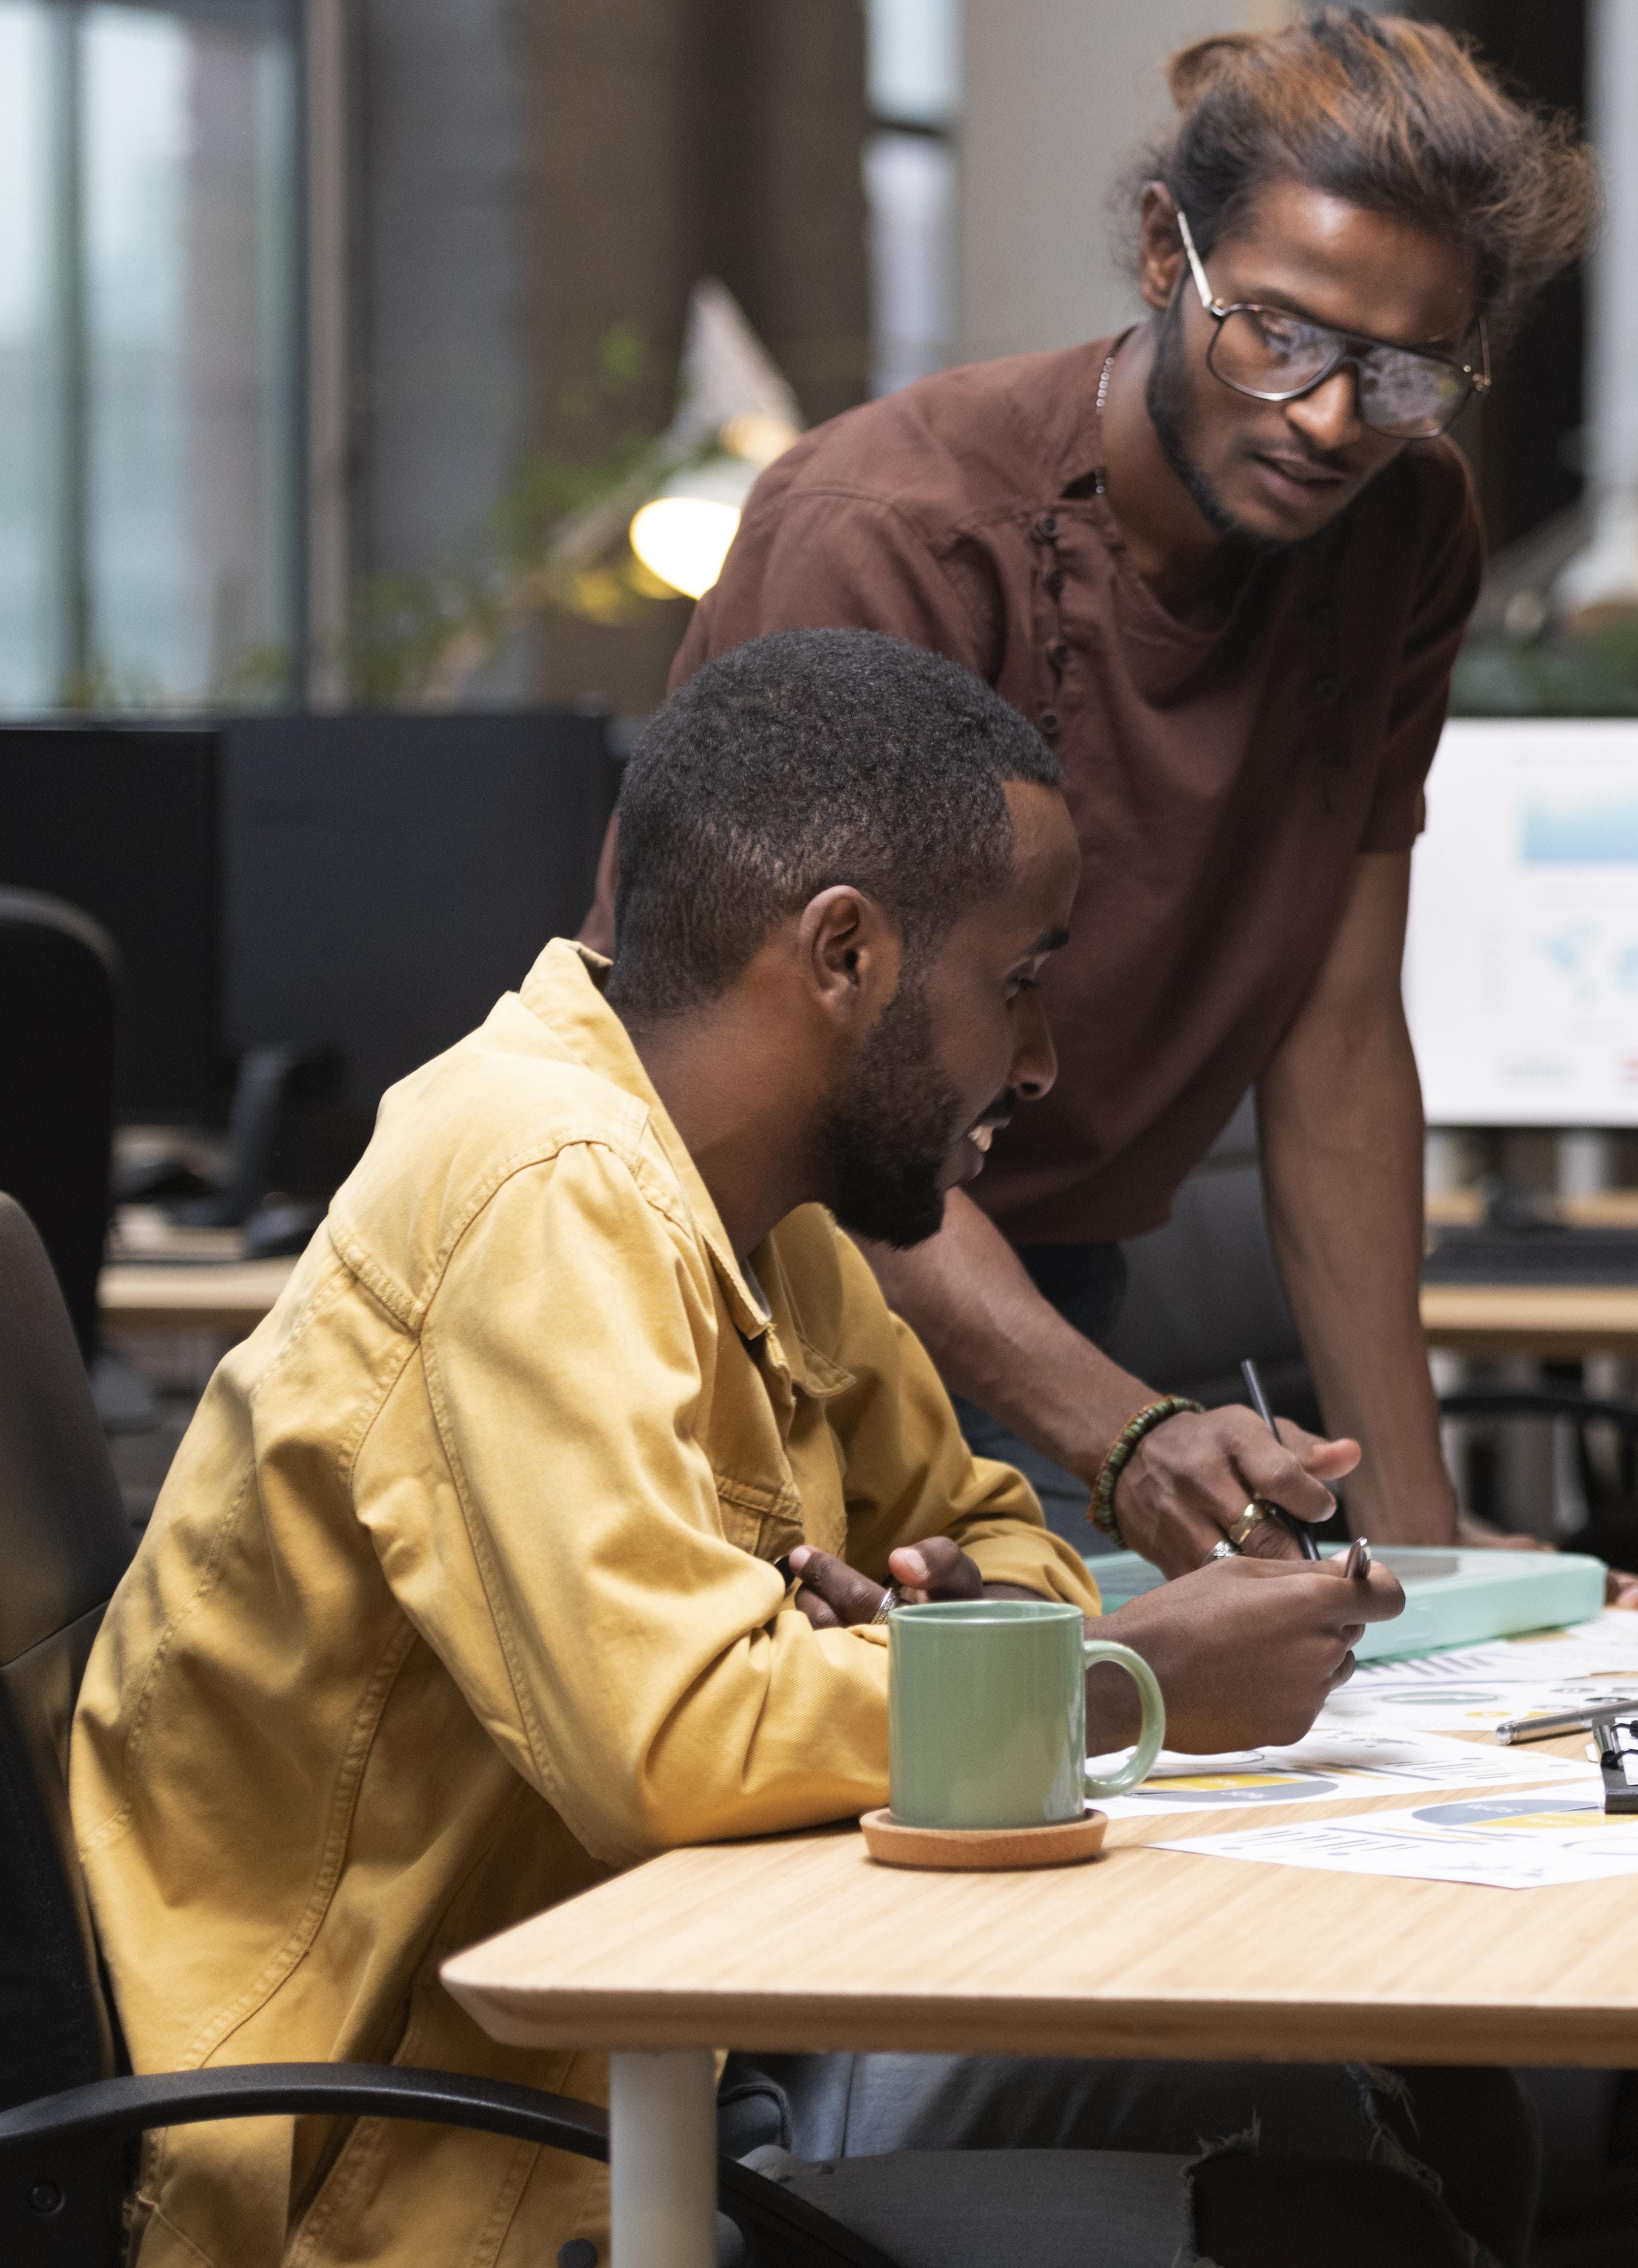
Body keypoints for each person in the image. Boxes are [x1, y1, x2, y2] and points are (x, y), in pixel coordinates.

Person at [77, 632, 1527, 2268]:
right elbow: (676, 1742)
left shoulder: (763, 1216)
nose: (1039, 1061)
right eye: (1020, 980)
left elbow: (994, 1524)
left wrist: (928, 1641)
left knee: (1339, 2109)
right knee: (1333, 2238)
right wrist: (1114, 1679)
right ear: (845, 952)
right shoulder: (536, 1185)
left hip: (682, 2048)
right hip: (415, 2167)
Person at [616, 8, 1600, 1569]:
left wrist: (1421, 1562)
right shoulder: (891, 532)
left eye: (1407, 369)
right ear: (1165, 252)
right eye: (1277, 329)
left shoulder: (1407, 527)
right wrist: (1121, 1433)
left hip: (1053, 1267)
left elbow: (1338, 1042)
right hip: (767, 1281)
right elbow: (793, 1085)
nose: (1333, 418)